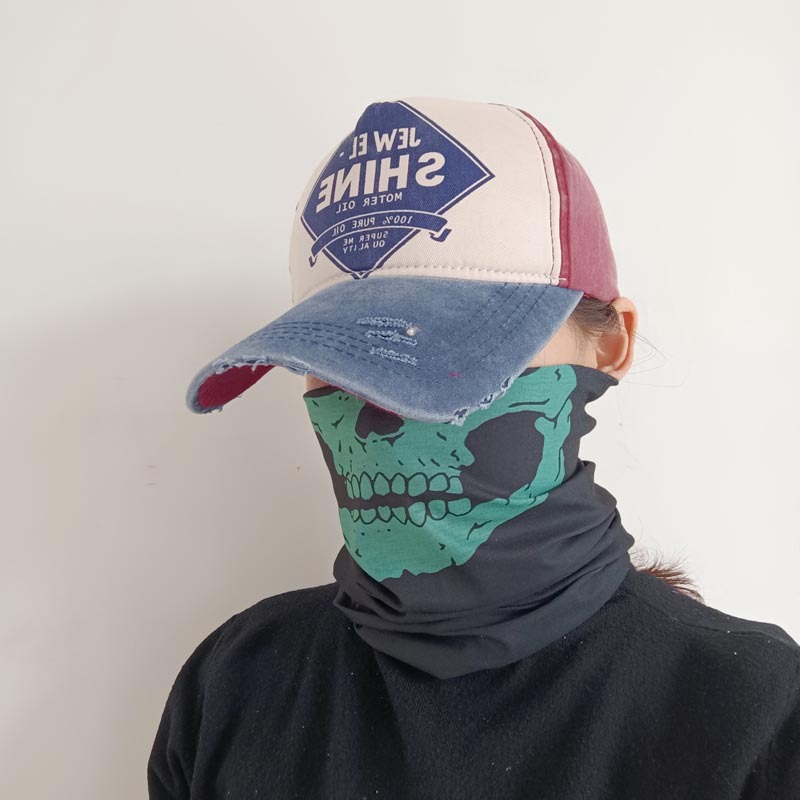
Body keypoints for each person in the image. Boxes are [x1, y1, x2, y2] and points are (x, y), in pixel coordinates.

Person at [148, 97, 800, 798]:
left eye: (456, 355)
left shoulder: (757, 714)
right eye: (343, 361)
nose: (383, 409)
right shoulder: (233, 683)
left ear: (610, 343)